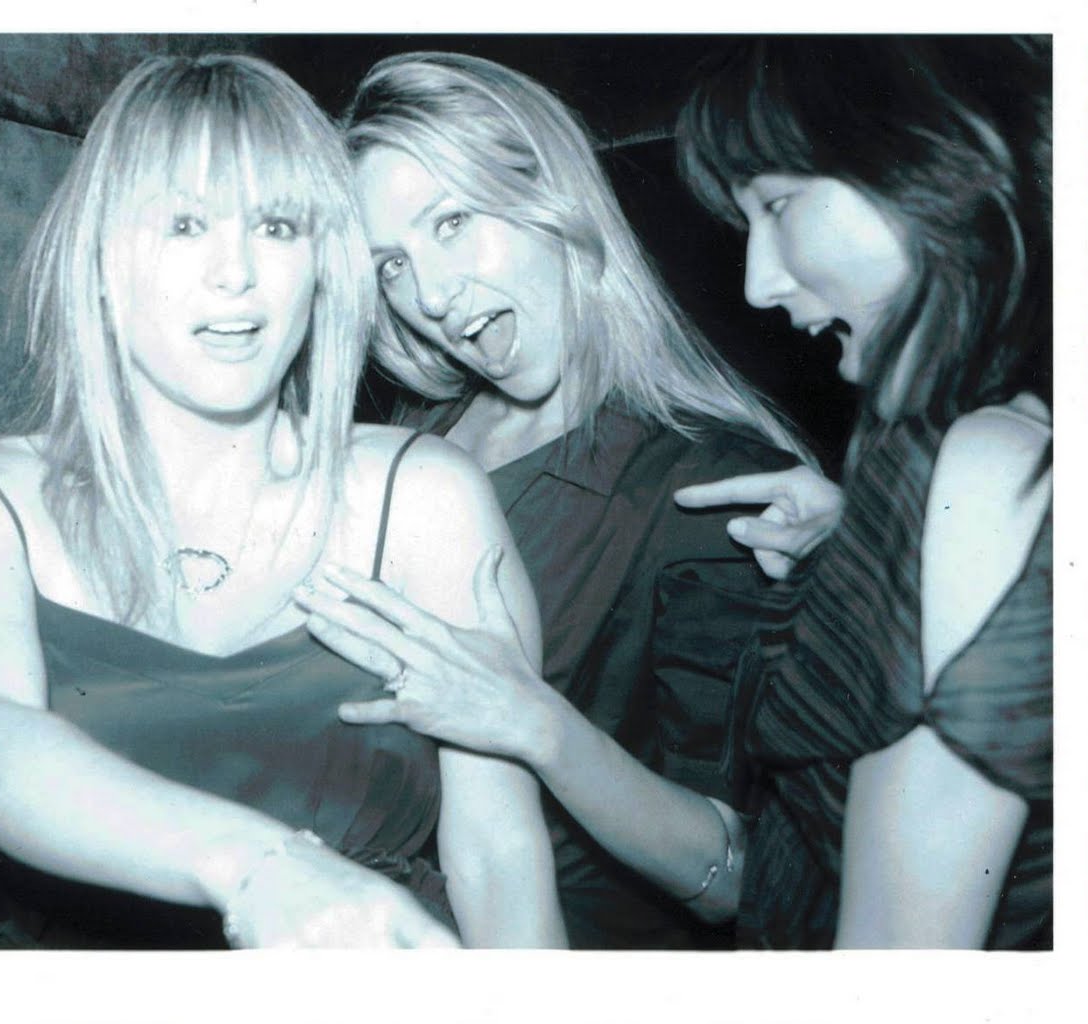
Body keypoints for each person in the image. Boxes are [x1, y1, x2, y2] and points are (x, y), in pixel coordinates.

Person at [0, 53, 564, 950]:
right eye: (184, 224)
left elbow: (498, 854)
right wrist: (260, 868)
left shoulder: (425, 495)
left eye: (278, 226)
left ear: (321, 268)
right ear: (100, 260)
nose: (237, 272)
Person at [300, 51, 810, 950]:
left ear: (554, 195)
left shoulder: (708, 488)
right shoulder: (400, 451)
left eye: (452, 221)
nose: (431, 296)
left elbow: (737, 875)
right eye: (390, 267)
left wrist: (533, 723)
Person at [673, 35, 1052, 948]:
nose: (760, 282)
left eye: (779, 204)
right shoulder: (990, 443)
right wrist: (861, 552)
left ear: (930, 161)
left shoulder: (978, 466)